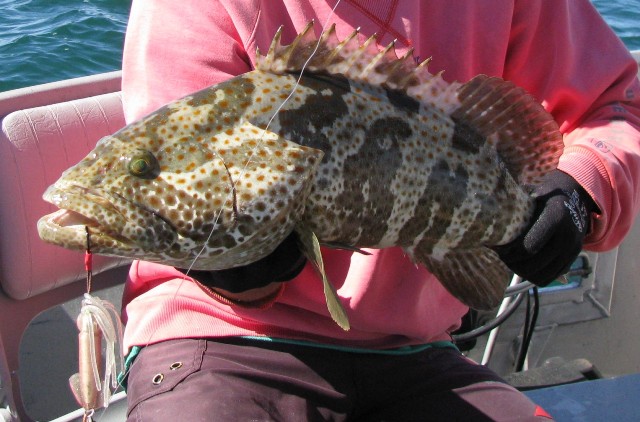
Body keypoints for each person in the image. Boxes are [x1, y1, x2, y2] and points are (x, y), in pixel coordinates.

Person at [119, 1, 640, 420]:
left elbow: (616, 105)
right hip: (223, 334)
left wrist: (579, 188)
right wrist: (232, 269)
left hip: (417, 350)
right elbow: (167, 173)